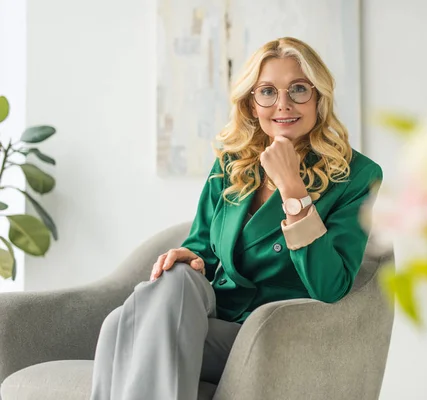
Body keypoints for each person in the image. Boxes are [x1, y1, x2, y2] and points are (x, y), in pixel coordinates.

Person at [89, 36, 383, 400]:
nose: (283, 104)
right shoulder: (232, 162)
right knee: (148, 300)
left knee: (122, 328)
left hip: (269, 335)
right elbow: (202, 248)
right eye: (268, 92)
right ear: (251, 102)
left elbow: (331, 285)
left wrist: (293, 188)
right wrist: (188, 257)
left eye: (299, 90)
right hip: (214, 314)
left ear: (319, 97)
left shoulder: (355, 175)